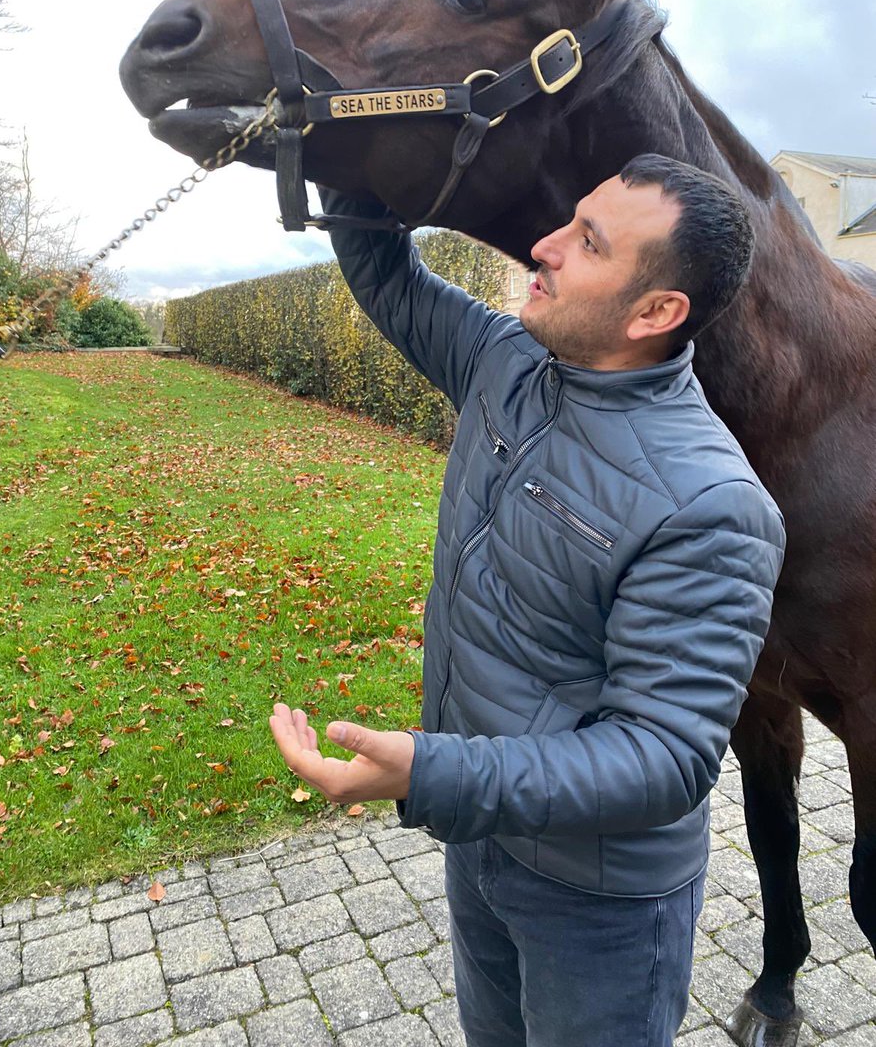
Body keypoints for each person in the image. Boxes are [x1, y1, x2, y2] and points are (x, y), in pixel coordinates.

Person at [269, 153, 785, 1047]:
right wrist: (337, 139)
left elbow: (664, 757)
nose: (543, 246)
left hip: (598, 905)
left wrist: (429, 772)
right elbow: (387, 277)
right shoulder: (507, 359)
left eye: (588, 242)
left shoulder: (711, 504)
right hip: (483, 838)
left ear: (655, 313)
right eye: (570, 220)